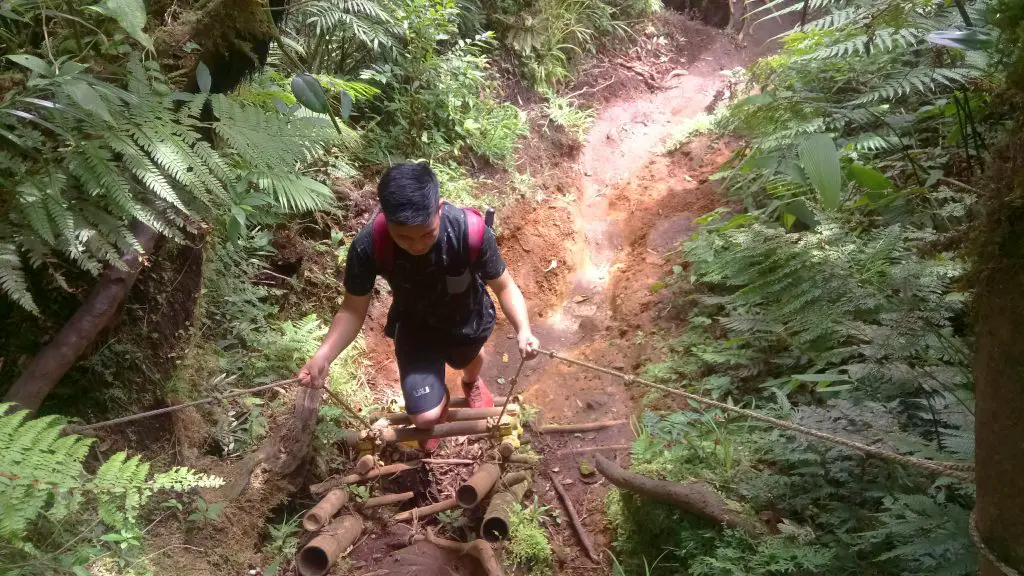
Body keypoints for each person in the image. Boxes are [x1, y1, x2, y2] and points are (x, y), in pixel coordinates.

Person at [297, 162, 540, 452]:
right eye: (404, 237)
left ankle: (470, 382)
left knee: (468, 360)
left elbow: (504, 286)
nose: (416, 245)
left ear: (439, 209)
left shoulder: (469, 231)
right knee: (424, 418)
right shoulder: (369, 246)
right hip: (416, 324)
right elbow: (352, 309)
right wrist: (324, 354)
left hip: (467, 317)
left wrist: (523, 329)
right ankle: (439, 402)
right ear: (386, 219)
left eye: (427, 234)